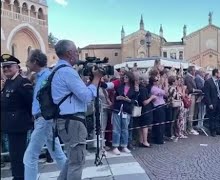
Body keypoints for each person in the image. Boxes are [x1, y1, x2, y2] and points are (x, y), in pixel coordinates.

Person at [51, 40, 103, 180]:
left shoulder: (57, 70)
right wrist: (96, 79)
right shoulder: (67, 72)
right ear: (69, 53)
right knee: (77, 162)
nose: (77, 54)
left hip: (65, 121)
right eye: (76, 52)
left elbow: (75, 94)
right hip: (73, 122)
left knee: (71, 160)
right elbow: (86, 97)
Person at [23, 49, 67, 180]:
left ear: (35, 61)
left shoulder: (47, 76)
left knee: (30, 156)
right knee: (57, 153)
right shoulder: (40, 76)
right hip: (42, 120)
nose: (26, 63)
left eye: (28, 60)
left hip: (44, 120)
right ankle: (71, 176)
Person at [1, 54, 33, 180]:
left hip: (19, 125)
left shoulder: (23, 82)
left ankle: (20, 177)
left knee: (19, 155)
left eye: (8, 66)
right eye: (3, 67)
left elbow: (30, 103)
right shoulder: (9, 82)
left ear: (16, 67)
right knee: (14, 155)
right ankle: (17, 176)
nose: (6, 69)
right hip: (10, 125)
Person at [111, 71, 139, 154]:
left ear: (130, 78)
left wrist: (129, 100)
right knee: (116, 129)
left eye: (127, 77)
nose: (125, 78)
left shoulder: (134, 89)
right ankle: (115, 146)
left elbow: (136, 100)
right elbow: (115, 96)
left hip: (127, 110)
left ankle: (124, 146)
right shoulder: (120, 86)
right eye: (124, 77)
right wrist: (118, 98)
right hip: (117, 109)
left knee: (125, 129)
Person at [137, 74, 156, 147]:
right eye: (147, 79)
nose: (148, 80)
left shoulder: (139, 88)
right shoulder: (143, 89)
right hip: (145, 110)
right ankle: (145, 141)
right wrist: (151, 98)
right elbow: (144, 102)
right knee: (145, 126)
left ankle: (141, 140)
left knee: (141, 126)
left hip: (141, 110)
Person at [203, 69, 220, 137]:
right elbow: (207, 94)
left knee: (218, 116)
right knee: (212, 117)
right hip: (212, 101)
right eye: (219, 73)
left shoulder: (218, 81)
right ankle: (212, 130)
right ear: (216, 73)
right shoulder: (208, 82)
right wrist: (209, 103)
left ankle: (217, 129)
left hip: (218, 101)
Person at [150, 74, 168, 144]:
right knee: (160, 124)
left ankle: (157, 138)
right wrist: (166, 84)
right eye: (157, 80)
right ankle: (159, 140)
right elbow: (165, 92)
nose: (158, 81)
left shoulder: (157, 88)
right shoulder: (154, 89)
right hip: (158, 107)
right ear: (154, 82)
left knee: (160, 123)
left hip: (160, 106)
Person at [184, 66, 201, 135]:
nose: (195, 72)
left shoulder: (191, 77)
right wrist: (199, 90)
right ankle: (189, 128)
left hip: (193, 96)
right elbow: (190, 89)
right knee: (190, 113)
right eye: (194, 70)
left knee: (192, 113)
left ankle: (190, 128)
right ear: (190, 71)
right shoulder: (188, 77)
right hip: (191, 96)